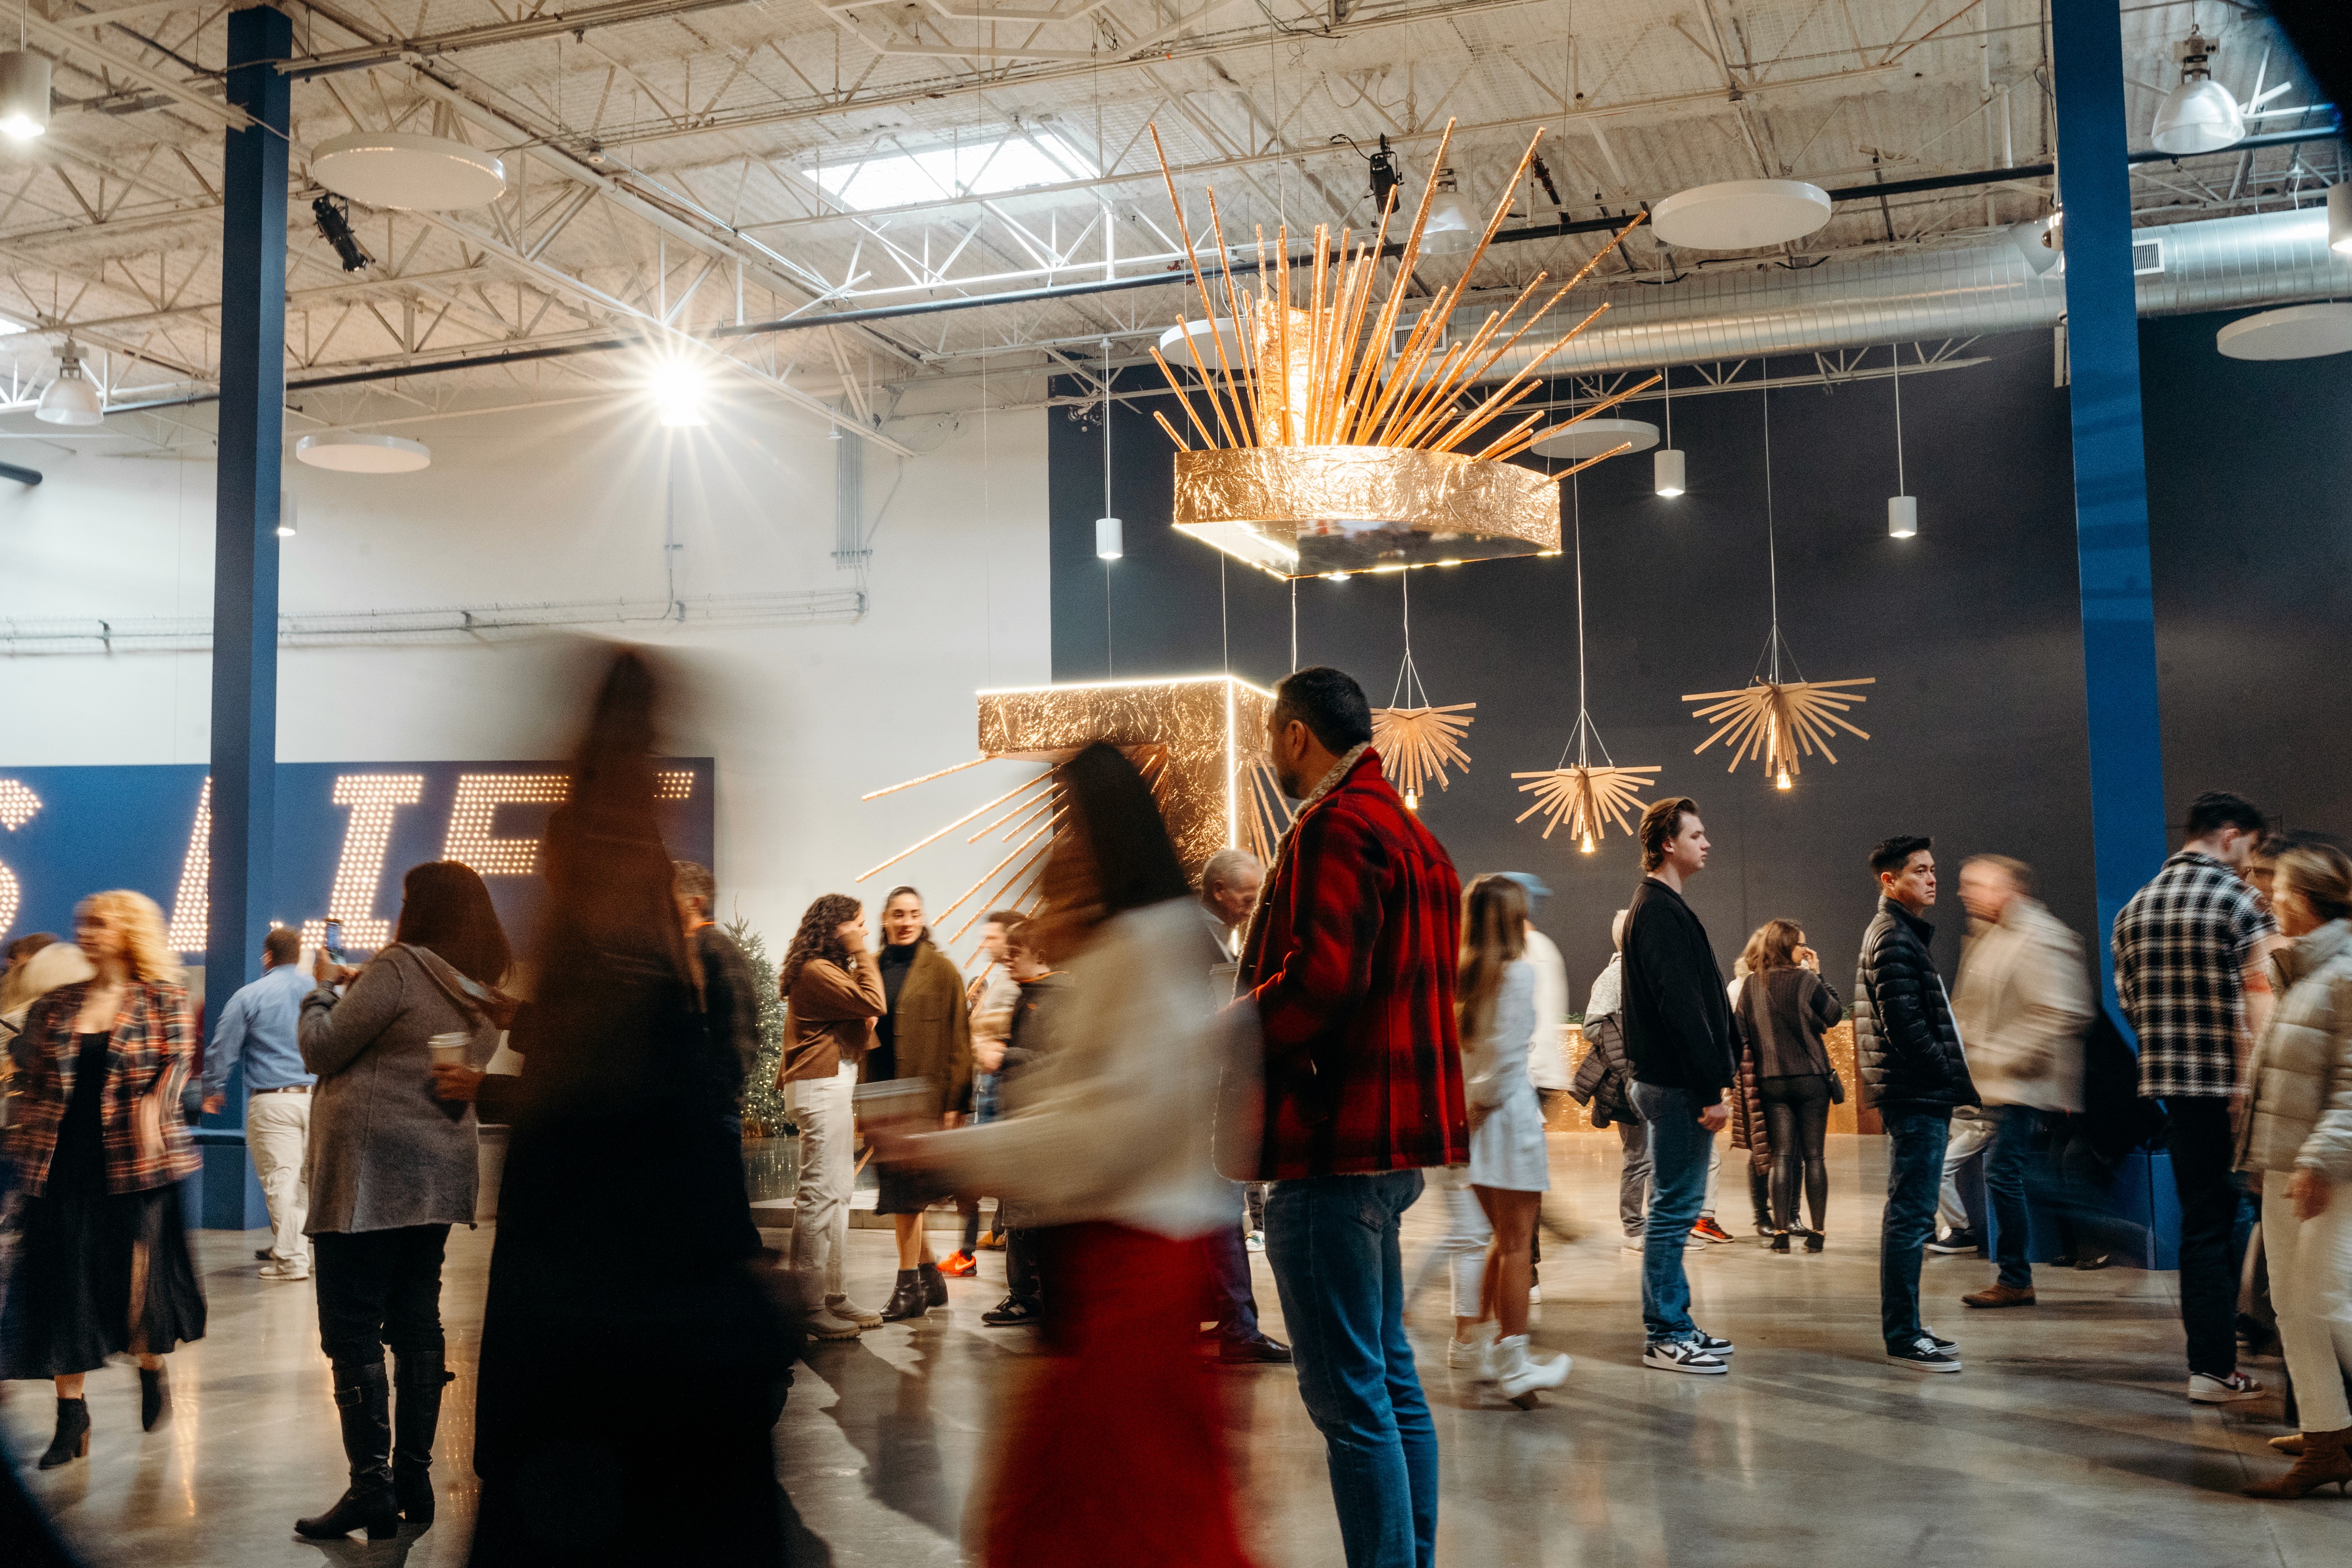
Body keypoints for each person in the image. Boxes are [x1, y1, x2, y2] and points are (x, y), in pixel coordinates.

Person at [448, 648, 792, 1567]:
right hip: (640, 1362)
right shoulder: (633, 968)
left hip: (594, 1359)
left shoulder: (612, 969)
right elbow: (644, 1123)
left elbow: (609, 1120)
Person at [878, 742, 1256, 1568]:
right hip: (1117, 1275)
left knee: (1099, 1527)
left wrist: (949, 1151)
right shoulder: (1140, 944)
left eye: (1070, 827)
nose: (1058, 850)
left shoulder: (1145, 948)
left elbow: (1104, 1132)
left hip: (1134, 1272)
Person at [1233, 665, 1465, 1568]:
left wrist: (1232, 1026)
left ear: (1296, 734)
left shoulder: (1334, 826)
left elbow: (1323, 983)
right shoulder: (1416, 836)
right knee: (1389, 1380)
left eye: (1271, 735)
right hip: (1390, 1144)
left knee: (1349, 1399)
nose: (1270, 752)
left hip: (1329, 1141)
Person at [292, 861, 512, 1539]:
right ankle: (414, 1481)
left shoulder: (399, 967)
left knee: (352, 1326)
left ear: (421, 908)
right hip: (436, 1176)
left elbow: (321, 1048)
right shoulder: (479, 989)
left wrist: (322, 989)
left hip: (368, 1178)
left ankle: (371, 1488)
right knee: (416, 1320)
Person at [0, 891, 205, 1466]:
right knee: (64, 1287)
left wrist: (154, 1106)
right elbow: (34, 1080)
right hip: (62, 1167)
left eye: (99, 923)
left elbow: (177, 1063)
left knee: (136, 1290)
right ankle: (71, 1417)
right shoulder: (57, 1004)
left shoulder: (162, 998)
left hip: (137, 1166)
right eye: (81, 923)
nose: (86, 932)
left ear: (129, 931)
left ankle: (151, 1365)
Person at [2113, 790, 2279, 1403]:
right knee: (2273, 1225)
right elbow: (2267, 1003)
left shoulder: (2134, 908)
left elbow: (2131, 1003)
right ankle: (2282, 1355)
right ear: (2230, 835)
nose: (2250, 862)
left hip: (2176, 1092)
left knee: (2202, 1227)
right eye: (2251, 848)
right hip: (2242, 1090)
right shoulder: (2240, 902)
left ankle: (2210, 1366)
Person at [2233, 841, 2352, 1498]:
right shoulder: (2302, 970)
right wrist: (2262, 1156)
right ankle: (2327, 1439)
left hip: (2329, 1171)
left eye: (2278, 890)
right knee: (2292, 1306)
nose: (2267, 898)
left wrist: (2319, 1161)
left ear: (2304, 899)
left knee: (2330, 1302)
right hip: (2285, 1165)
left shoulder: (2344, 972)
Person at [1620, 797, 1738, 1376]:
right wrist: (1711, 1087)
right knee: (1672, 1212)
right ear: (1668, 843)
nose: (1706, 843)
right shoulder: (1659, 910)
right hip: (1676, 1085)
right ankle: (1665, 1334)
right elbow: (1682, 1007)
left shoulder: (1661, 905)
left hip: (1672, 1081)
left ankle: (1677, 1323)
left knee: (1677, 1207)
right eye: (1696, 834)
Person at [1951, 855, 2095, 1310]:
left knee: (2004, 1172)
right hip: (2002, 1081)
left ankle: (2022, 1274)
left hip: (2025, 1081)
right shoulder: (1993, 937)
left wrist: (2003, 1057)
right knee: (2010, 1172)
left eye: (1975, 885)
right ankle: (2020, 1273)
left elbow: (2062, 1011)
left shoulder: (2039, 935)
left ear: (2007, 889)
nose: (1965, 894)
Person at [1856, 835, 1977, 1373]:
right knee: (1910, 1216)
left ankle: (1908, 1327)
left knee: (1910, 1214)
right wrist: (1945, 1070)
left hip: (1916, 1091)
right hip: (1916, 1093)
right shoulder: (1892, 937)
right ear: (1890, 880)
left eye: (1932, 869)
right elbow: (1904, 1026)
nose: (1932, 879)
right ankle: (1904, 1335)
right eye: (1920, 870)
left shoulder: (1900, 932)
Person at [1454, 874, 1571, 1405]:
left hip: (1475, 1125)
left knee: (1499, 1240)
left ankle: (1474, 1344)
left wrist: (1467, 1114)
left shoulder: (1462, 974)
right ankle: (1515, 1362)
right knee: (1519, 1246)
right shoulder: (1519, 973)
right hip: (1507, 1118)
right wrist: (1481, 1108)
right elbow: (1506, 1059)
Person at [1192, 850, 1289, 1364]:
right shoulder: (1202, 942)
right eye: (1248, 898)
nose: (1253, 908)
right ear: (1220, 891)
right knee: (1222, 1210)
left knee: (1213, 1212)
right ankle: (1238, 1327)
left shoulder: (1203, 936)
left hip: (1200, 1099)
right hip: (1207, 1103)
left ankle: (1219, 1318)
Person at [779, 893, 886, 1341]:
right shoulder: (816, 970)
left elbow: (864, 1023)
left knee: (838, 1194)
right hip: (820, 1086)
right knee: (820, 1196)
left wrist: (863, 1011)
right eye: (859, 925)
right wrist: (860, 951)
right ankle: (807, 1306)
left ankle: (833, 1295)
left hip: (829, 1086)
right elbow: (875, 1001)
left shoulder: (824, 971)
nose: (865, 932)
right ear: (838, 928)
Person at [868, 885, 974, 1322]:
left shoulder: (943, 971)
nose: (906, 921)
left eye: (913, 913)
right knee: (902, 1196)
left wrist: (956, 1103)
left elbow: (960, 1041)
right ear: (886, 919)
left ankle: (908, 1286)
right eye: (898, 914)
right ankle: (930, 1277)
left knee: (906, 1197)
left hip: (922, 1101)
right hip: (880, 1096)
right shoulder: (871, 968)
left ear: (923, 918)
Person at [197, 925, 317, 1282]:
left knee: (282, 1180)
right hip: (320, 1098)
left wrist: (213, 1087)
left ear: (267, 957)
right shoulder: (319, 992)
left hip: (273, 1102)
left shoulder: (251, 995)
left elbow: (223, 1046)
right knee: (305, 1183)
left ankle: (291, 1261)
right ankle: (293, 1248)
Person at [1733, 919, 1844, 1252]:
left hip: (1772, 1082)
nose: (1806, 950)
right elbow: (1834, 1014)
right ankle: (1817, 1234)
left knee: (1781, 1156)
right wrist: (1819, 973)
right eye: (1801, 945)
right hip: (1811, 1079)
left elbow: (1739, 1033)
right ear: (1786, 947)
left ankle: (1780, 1233)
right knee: (1814, 1157)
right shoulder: (1806, 980)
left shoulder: (1752, 985)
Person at [978, 920, 1068, 1327]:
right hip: (1025, 1120)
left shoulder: (1056, 997)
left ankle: (1028, 1297)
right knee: (1019, 1218)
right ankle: (1026, 1295)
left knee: (1027, 1220)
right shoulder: (1031, 994)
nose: (1007, 959)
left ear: (1039, 954)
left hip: (1042, 1122)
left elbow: (1058, 1060)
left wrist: (1007, 1056)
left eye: (1016, 952)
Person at [948, 908, 1030, 1271]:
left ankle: (974, 1252)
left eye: (992, 937)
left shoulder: (1015, 982)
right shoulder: (1000, 980)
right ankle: (977, 1247)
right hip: (987, 1084)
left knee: (979, 1174)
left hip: (999, 1084)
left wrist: (989, 1042)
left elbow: (1008, 1032)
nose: (986, 944)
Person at [1571, 910, 1648, 1254]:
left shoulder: (1645, 972)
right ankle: (1633, 1229)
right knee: (1639, 1158)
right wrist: (1626, 1039)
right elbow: (1591, 1027)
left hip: (1653, 1077)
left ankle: (1661, 1227)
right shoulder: (1615, 976)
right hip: (1629, 1080)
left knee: (1658, 1158)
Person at [673, 860, 760, 1136]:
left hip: (710, 1114)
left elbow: (739, 1030)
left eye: (668, 896)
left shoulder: (715, 949)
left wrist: (716, 1092)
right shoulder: (682, 949)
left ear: (694, 903)